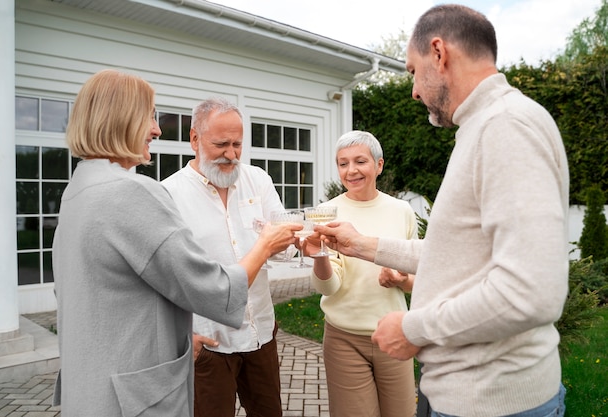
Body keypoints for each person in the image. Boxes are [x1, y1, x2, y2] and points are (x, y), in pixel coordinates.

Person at [314, 5, 569, 417]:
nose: (414, 90)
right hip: (466, 396)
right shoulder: (483, 127)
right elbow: (459, 253)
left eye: (413, 71)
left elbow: (532, 292)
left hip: (494, 403)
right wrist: (362, 245)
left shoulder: (505, 127)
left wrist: (414, 328)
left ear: (439, 53)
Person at [51, 69, 300, 417]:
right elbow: (214, 290)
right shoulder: (136, 192)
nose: (155, 129)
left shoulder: (77, 191)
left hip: (92, 386)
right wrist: (264, 245)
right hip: (132, 395)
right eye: (149, 116)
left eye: (237, 144)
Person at [161, 97, 287, 417]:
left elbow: (283, 238)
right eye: (221, 144)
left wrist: (302, 243)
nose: (231, 155)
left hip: (260, 333)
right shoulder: (168, 195)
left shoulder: (257, 180)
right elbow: (163, 278)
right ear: (194, 139)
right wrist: (182, 335)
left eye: (237, 144)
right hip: (210, 344)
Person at [305, 130, 417, 417]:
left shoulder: (402, 211)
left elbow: (417, 278)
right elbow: (328, 287)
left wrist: (402, 279)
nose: (351, 170)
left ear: (378, 165)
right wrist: (319, 255)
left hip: (394, 335)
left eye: (360, 161)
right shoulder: (327, 212)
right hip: (344, 340)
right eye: (343, 163)